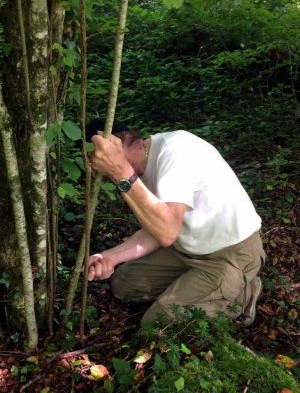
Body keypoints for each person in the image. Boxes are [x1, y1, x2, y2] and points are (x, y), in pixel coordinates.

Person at [87, 119, 265, 325]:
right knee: (124, 285)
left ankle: (244, 295)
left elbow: (167, 232)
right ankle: (196, 289)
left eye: (98, 164)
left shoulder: (175, 151)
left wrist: (120, 173)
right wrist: (108, 257)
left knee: (157, 321)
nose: (101, 173)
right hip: (184, 250)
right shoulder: (140, 171)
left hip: (230, 254)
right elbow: (156, 230)